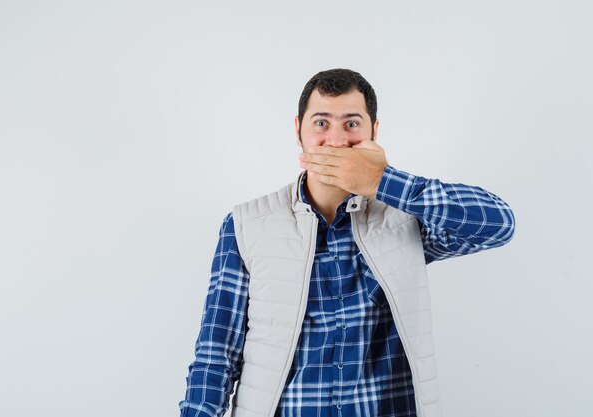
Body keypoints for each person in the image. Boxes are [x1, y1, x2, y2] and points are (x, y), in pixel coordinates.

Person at [178, 68, 515, 417]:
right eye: (321, 123)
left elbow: (498, 224)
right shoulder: (246, 226)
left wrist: (383, 180)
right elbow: (216, 355)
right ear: (299, 131)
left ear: (374, 132)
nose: (336, 141)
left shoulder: (405, 218)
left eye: (352, 124)